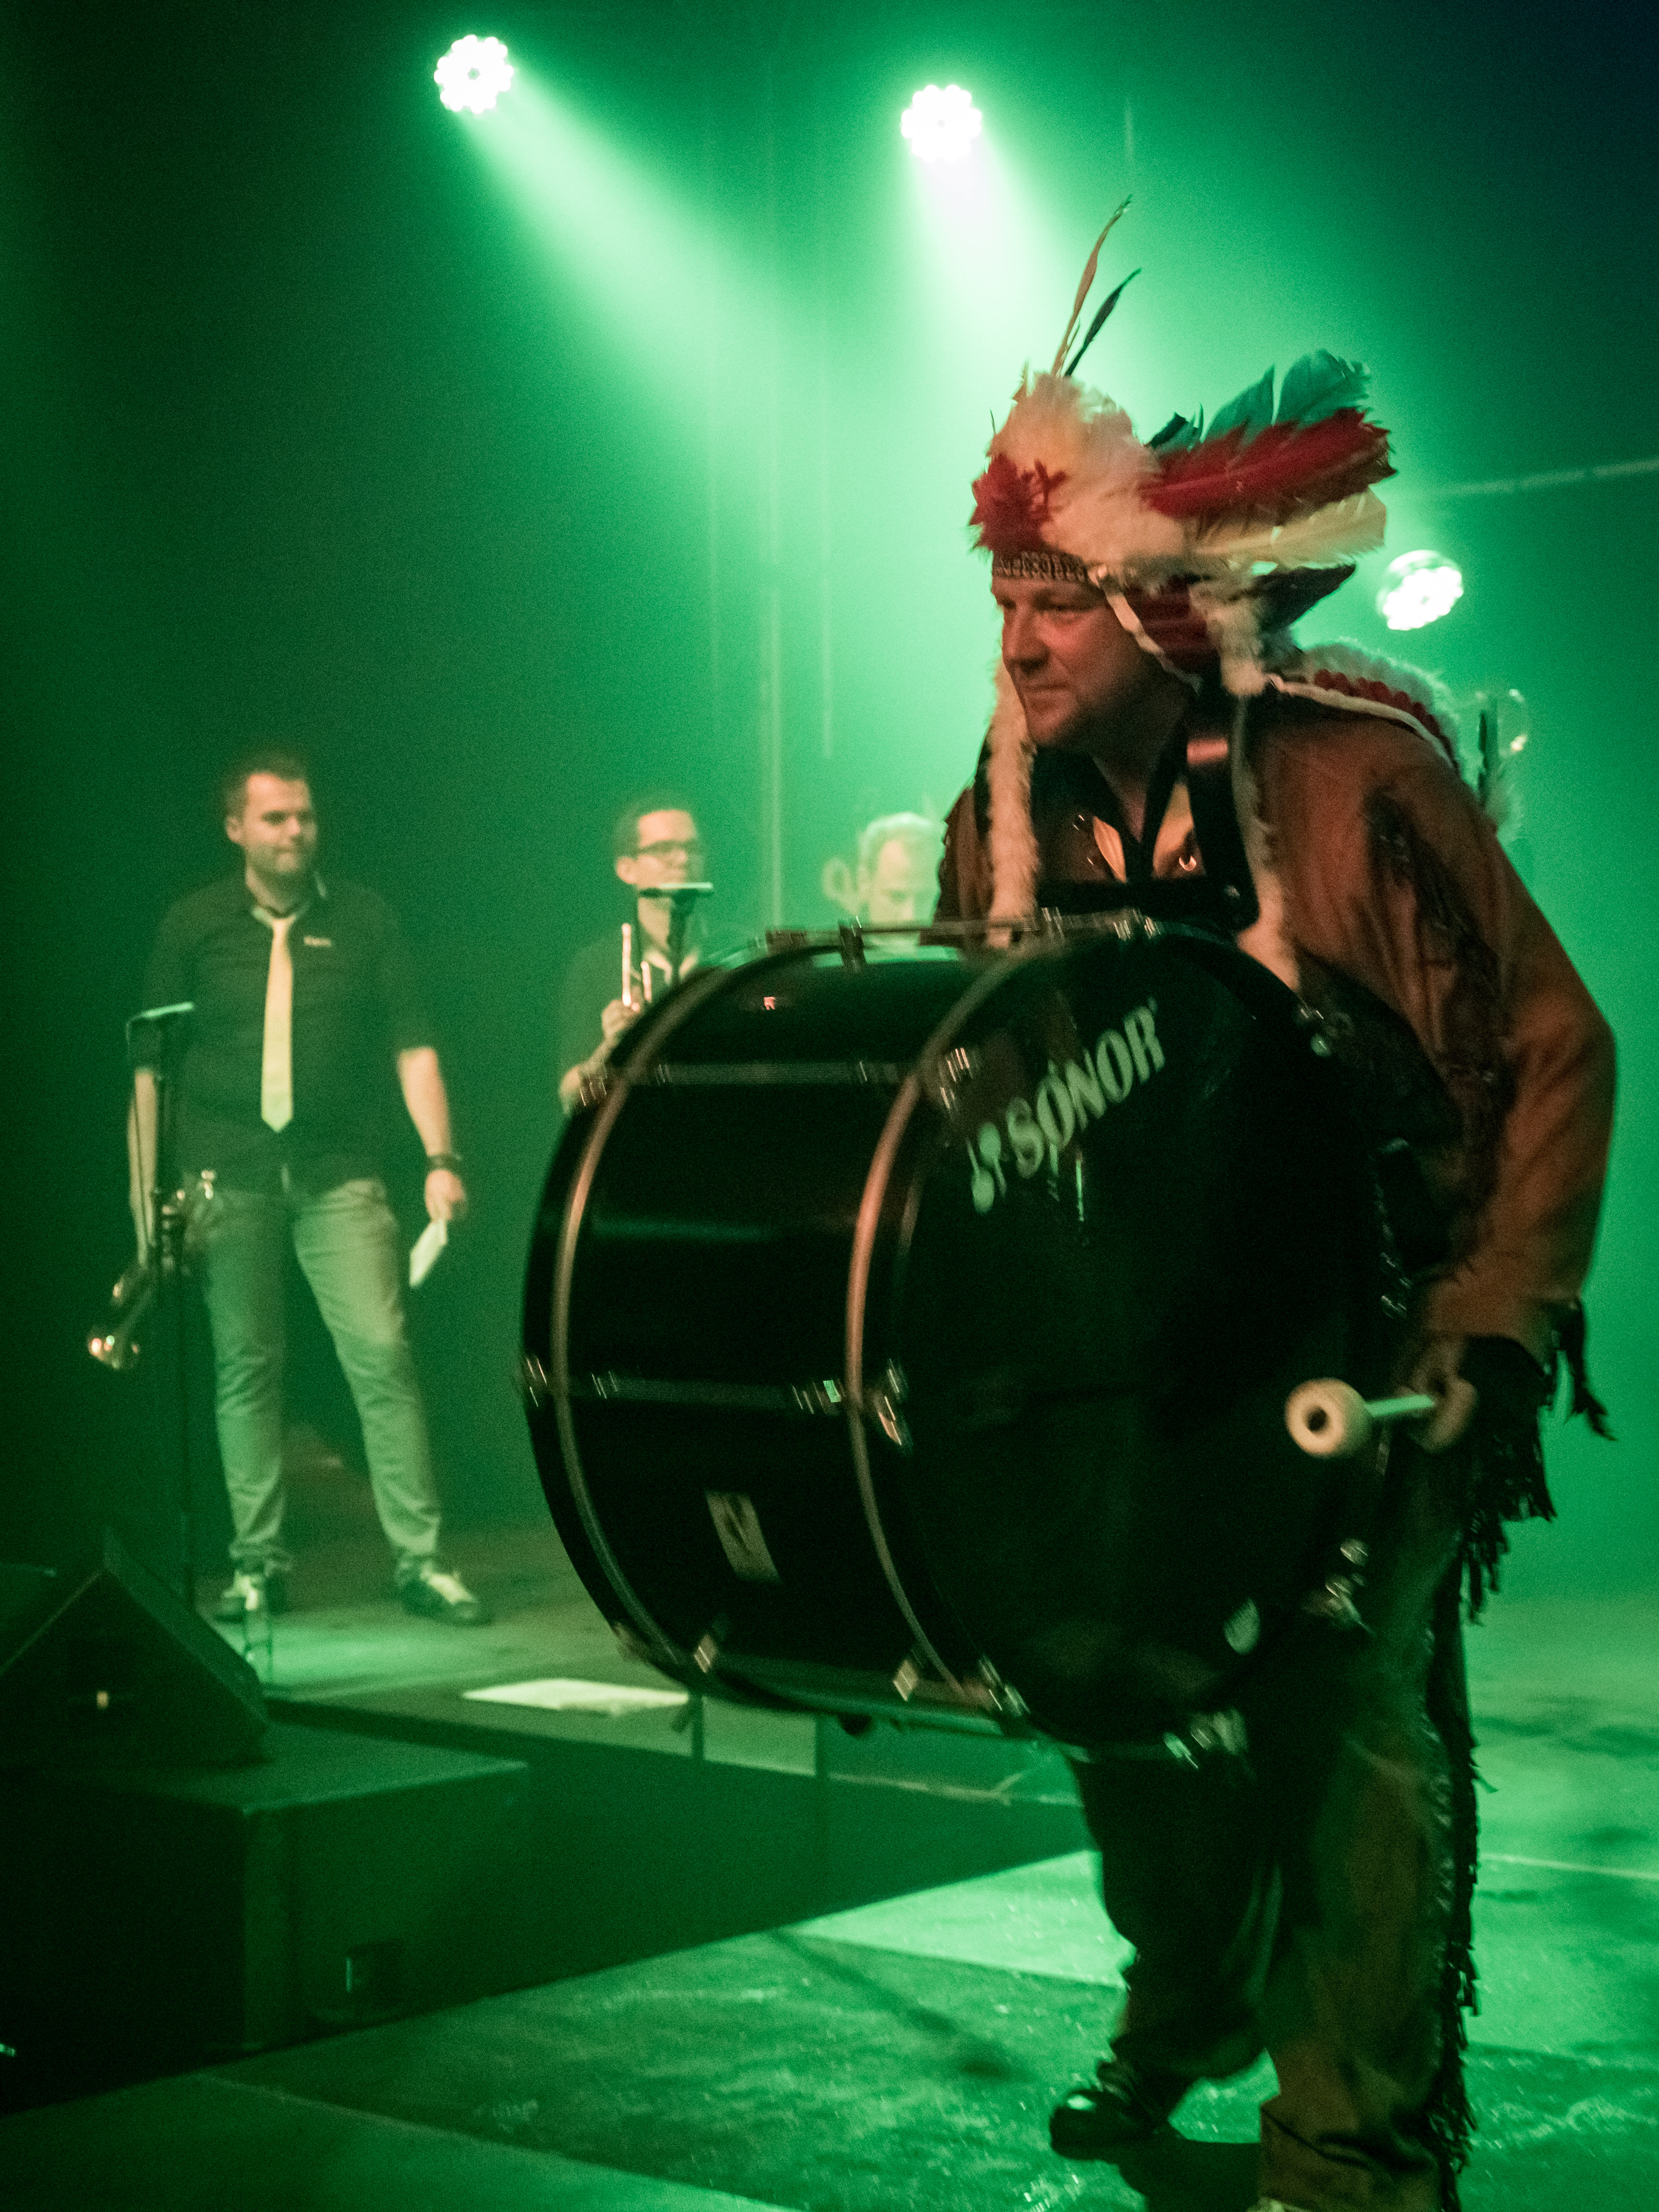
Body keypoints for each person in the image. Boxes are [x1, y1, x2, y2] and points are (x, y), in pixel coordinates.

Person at [938, 222, 1614, 2212]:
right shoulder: (1005, 804)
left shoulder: (1344, 778)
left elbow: (1554, 1046)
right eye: (1001, 598)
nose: (1017, 642)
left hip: (1381, 1325)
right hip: (1146, 1351)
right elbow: (976, 1067)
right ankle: (1190, 1998)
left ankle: (1351, 2136)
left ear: (1156, 614)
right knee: (1110, 1677)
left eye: (1055, 600)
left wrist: (1487, 1320)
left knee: (1340, 1718)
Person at [129, 751, 490, 1627]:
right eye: (276, 817)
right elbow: (148, 1073)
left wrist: (442, 1159)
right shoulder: (194, 924)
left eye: (306, 816)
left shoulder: (364, 919)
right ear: (236, 828)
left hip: (339, 1171)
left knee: (383, 1356)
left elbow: (414, 1046)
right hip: (226, 1173)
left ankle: (422, 1561)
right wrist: (144, 1203)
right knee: (245, 1369)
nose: (296, 831)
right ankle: (257, 1564)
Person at [558, 795, 708, 1112]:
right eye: (664, 849)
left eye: (692, 848)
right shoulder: (595, 966)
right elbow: (572, 1100)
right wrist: (612, 1047)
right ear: (627, 869)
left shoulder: (733, 948)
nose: (683, 859)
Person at [821, 811, 944, 928]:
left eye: (925, 898)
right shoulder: (828, 940)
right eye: (897, 897)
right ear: (864, 883)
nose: (910, 918)